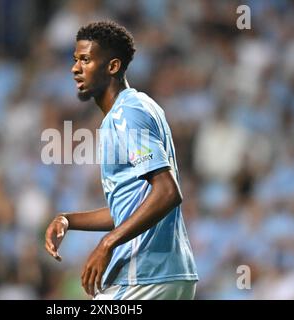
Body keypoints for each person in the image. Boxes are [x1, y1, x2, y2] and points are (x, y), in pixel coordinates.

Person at [44, 21, 198, 300]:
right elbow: (133, 209)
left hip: (145, 275)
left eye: (86, 60)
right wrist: (68, 220)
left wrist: (107, 243)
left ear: (113, 66)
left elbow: (167, 191)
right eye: (75, 59)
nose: (75, 68)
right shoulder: (137, 108)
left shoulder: (128, 114)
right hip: (167, 273)